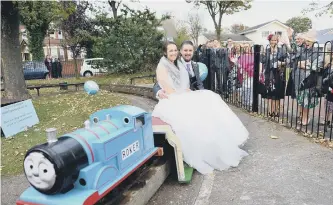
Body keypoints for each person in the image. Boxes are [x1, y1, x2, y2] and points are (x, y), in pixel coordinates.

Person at [152, 41, 249, 174]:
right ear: (166, 53)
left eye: (175, 50)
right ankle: (204, 150)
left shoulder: (188, 64)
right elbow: (161, 85)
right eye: (171, 51)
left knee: (212, 100)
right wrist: (160, 91)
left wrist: (198, 94)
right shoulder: (163, 65)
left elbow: (196, 83)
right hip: (173, 98)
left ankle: (223, 143)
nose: (174, 53)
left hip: (186, 94)